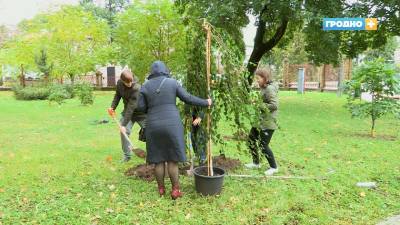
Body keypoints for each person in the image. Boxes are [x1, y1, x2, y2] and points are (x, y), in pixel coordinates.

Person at [138, 61, 212, 200]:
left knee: (158, 160)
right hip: (172, 124)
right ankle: (175, 190)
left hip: (153, 125)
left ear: (151, 72)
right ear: (165, 70)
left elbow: (140, 108)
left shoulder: (145, 86)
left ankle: (161, 189)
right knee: (172, 160)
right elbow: (187, 98)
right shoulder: (172, 82)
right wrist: (206, 102)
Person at [245, 68, 279, 176]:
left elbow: (274, 105)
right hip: (259, 121)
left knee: (263, 145)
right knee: (251, 139)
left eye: (258, 78)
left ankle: (274, 167)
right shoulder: (264, 88)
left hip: (267, 122)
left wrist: (259, 104)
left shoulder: (269, 89)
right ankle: (256, 163)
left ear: (265, 78)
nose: (257, 80)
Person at [108, 69, 146, 162]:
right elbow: (117, 95)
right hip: (128, 112)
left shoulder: (137, 87)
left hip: (142, 113)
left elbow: (131, 107)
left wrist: (123, 124)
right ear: (122, 80)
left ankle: (153, 155)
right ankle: (127, 156)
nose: (129, 84)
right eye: (127, 83)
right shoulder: (120, 84)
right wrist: (112, 107)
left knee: (150, 132)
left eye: (131, 82)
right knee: (123, 132)